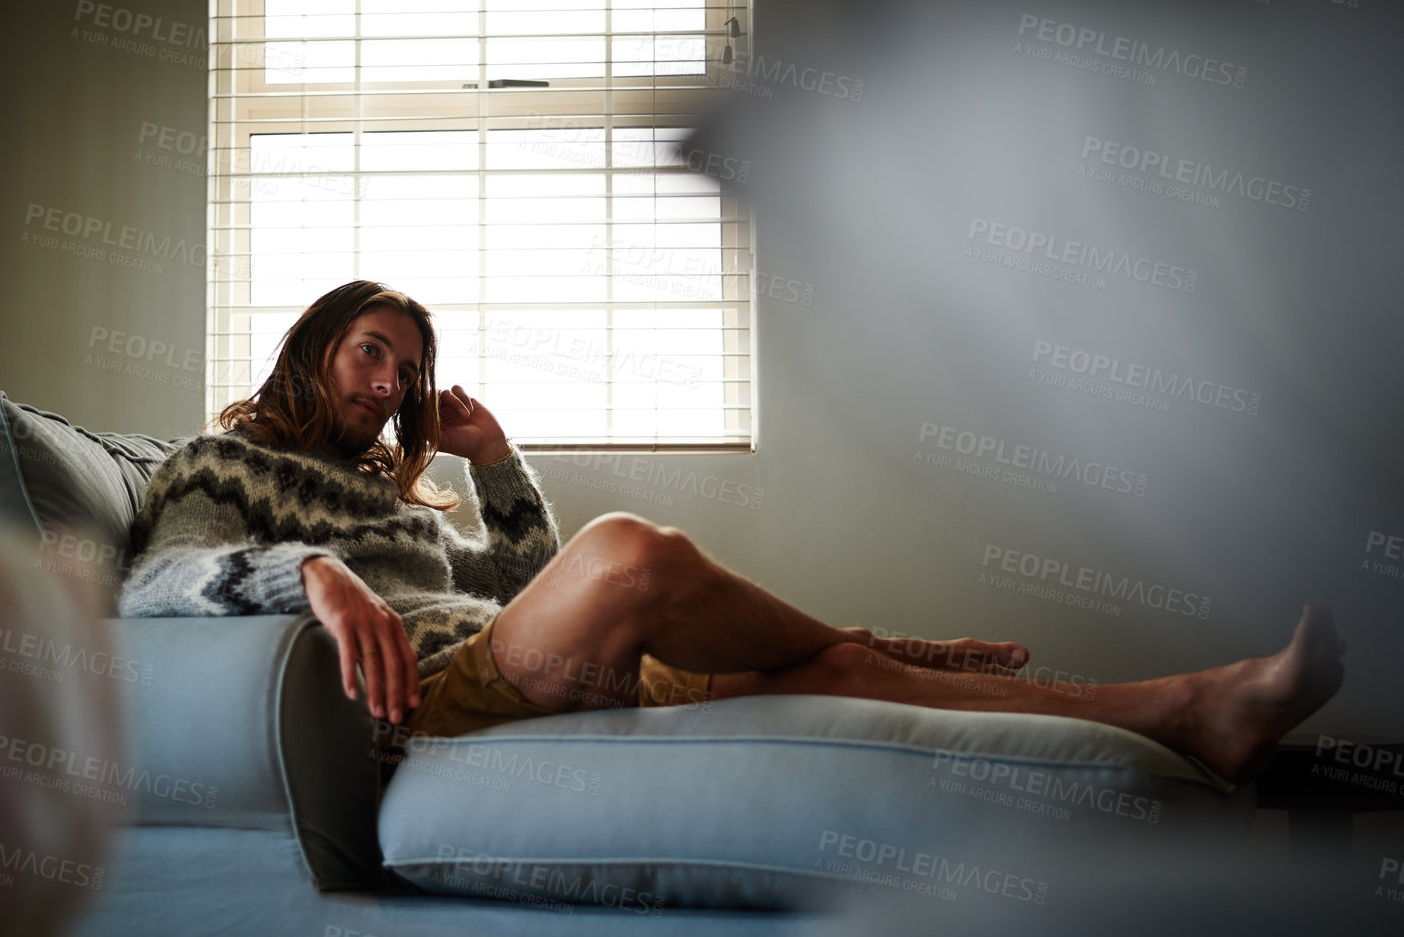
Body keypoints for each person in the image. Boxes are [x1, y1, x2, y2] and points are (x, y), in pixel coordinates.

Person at [119, 280, 1345, 785]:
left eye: (410, 365)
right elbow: (156, 584)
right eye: (371, 351)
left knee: (842, 676)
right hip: (434, 706)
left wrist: (492, 464)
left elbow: (524, 588)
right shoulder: (220, 463)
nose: (391, 382)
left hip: (518, 664)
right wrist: (316, 573)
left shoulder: (403, 500)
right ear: (313, 349)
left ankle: (1192, 708)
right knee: (638, 554)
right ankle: (881, 638)